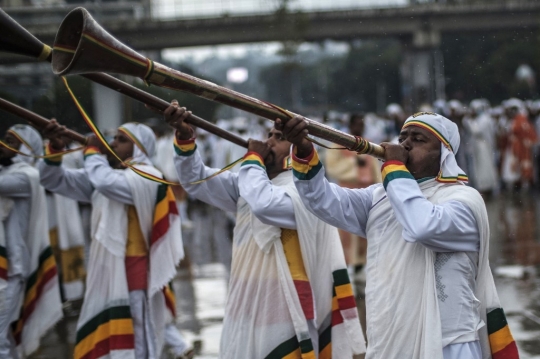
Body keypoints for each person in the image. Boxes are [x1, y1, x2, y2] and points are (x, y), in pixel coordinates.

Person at [277, 112, 518, 359]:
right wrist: (304, 149)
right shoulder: (380, 197)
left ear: (444, 154)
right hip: (390, 341)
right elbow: (320, 200)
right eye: (402, 137)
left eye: (418, 139)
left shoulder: (464, 201)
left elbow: (421, 226)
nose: (405, 144)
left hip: (448, 345)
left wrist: (393, 168)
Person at [164, 101, 365, 359]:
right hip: (246, 300)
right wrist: (184, 136)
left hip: (287, 300)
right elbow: (196, 181)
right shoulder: (249, 184)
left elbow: (264, 205)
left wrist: (252, 159)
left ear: (297, 151)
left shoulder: (301, 192)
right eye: (268, 135)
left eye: (279, 138)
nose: (268, 141)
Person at [39, 121, 184, 359]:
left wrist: (93, 151)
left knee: (137, 335)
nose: (113, 143)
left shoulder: (147, 176)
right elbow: (53, 180)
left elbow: (105, 183)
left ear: (138, 148)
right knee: (109, 332)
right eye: (114, 138)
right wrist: (55, 148)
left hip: (137, 272)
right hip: (106, 270)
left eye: (121, 139)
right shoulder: (110, 176)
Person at [0, 124, 63, 358]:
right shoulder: (7, 172)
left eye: (11, 141)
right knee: (4, 336)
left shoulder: (26, 177)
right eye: (5, 138)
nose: (3, 144)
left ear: (27, 148)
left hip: (12, 268)